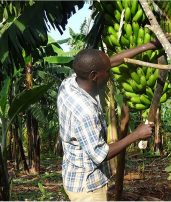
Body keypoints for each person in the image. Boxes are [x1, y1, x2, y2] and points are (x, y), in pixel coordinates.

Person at [57, 40, 161, 201]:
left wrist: (146, 46)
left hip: (74, 175)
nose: (110, 72)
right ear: (94, 76)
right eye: (107, 71)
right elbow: (100, 154)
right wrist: (136, 135)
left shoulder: (69, 84)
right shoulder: (85, 112)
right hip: (87, 187)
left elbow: (110, 62)